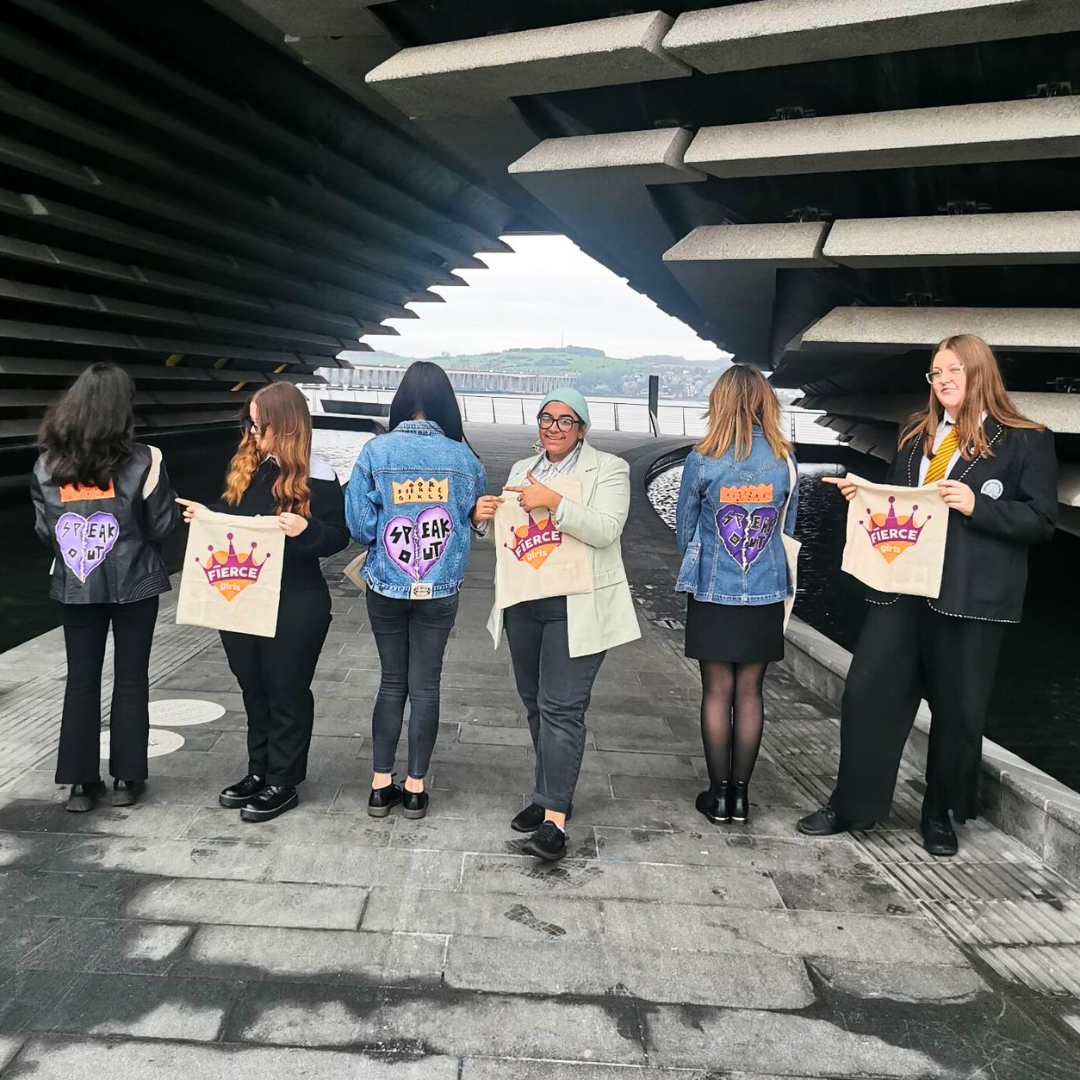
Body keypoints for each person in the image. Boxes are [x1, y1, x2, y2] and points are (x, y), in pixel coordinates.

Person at [797, 334, 1057, 856]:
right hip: (903, 588)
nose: (943, 380)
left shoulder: (1025, 439)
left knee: (958, 710)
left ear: (979, 371)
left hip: (968, 598)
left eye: (953, 369)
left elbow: (1042, 520)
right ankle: (852, 805)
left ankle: (940, 813)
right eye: (935, 372)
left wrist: (975, 506)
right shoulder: (916, 434)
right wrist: (864, 496)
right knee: (867, 694)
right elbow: (903, 501)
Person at [474, 389, 640, 862]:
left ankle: (554, 822)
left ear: (583, 428)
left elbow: (608, 529)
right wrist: (481, 520)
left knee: (562, 706)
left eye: (566, 421)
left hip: (577, 603)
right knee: (534, 704)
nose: (553, 427)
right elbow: (511, 535)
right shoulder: (518, 472)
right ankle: (547, 795)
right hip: (525, 601)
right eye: (546, 417)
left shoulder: (609, 469)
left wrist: (556, 504)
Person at [177, 382, 349, 823]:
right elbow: (232, 514)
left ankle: (284, 779)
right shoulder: (250, 467)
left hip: (296, 598)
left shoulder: (320, 473)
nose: (252, 431)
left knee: (286, 688)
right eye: (249, 423)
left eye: (259, 423)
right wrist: (207, 513)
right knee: (252, 686)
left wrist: (304, 530)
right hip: (243, 594)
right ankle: (259, 770)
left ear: (284, 424)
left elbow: (338, 536)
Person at [30, 362, 179, 812]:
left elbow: (44, 532)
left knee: (81, 678)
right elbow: (162, 525)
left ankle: (79, 784)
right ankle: (127, 780)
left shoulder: (47, 463)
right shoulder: (146, 459)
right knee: (132, 677)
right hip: (135, 581)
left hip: (74, 585)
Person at [345, 362, 487, 821]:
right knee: (426, 686)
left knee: (391, 682)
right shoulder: (466, 460)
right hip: (440, 589)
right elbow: (472, 523)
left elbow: (361, 527)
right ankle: (415, 788)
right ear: (447, 404)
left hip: (386, 584)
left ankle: (379, 784)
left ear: (401, 401)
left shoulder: (375, 451)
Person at [674, 365, 798, 827]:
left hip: (712, 590)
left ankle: (718, 794)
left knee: (715, 691)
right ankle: (742, 797)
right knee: (750, 691)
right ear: (766, 403)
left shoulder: (702, 460)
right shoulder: (785, 461)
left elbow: (686, 529)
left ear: (720, 403)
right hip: (765, 591)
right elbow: (789, 528)